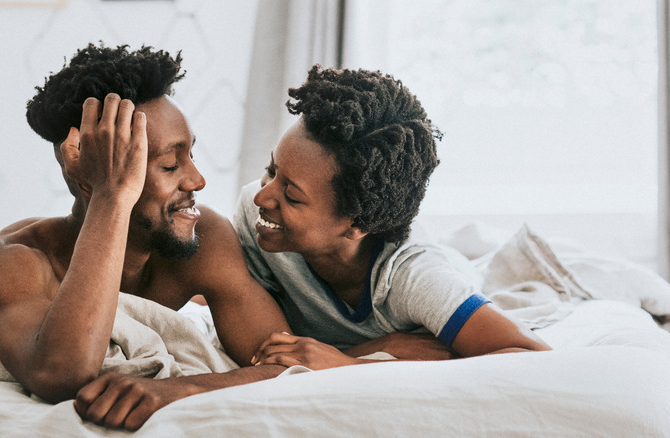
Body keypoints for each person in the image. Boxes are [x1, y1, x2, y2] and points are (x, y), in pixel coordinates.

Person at [0, 43, 293, 430]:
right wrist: (110, 194)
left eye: (190, 156)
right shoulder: (12, 260)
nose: (197, 180)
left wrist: (182, 389)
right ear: (83, 170)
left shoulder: (206, 237)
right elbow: (62, 374)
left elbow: (287, 362)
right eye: (170, 164)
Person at [236, 65, 551, 371]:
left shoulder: (417, 280)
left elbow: (534, 357)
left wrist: (350, 365)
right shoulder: (257, 217)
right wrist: (375, 349)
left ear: (357, 224)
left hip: (452, 268)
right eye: (271, 170)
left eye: (291, 195)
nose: (261, 196)